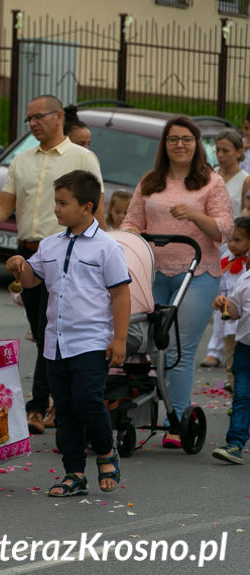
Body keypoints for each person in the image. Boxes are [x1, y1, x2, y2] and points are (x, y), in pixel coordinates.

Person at [5, 170, 130, 496]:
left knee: (87, 399)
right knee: (64, 408)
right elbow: (33, 280)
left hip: (91, 341)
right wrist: (21, 265)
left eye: (63, 203)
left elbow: (120, 294)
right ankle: (74, 473)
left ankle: (106, 450)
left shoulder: (107, 248)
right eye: (55, 202)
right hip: (55, 343)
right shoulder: (50, 244)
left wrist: (119, 338)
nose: (57, 209)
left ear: (87, 207)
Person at [0, 94, 104, 435]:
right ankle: (55, 401)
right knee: (43, 332)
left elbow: (96, 211)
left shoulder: (82, 157)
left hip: (68, 253)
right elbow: (3, 207)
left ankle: (39, 406)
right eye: (28, 119)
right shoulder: (21, 161)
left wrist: (95, 253)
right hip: (29, 253)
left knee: (49, 331)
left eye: (38, 117)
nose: (32, 124)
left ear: (58, 117)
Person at [121, 116, 233, 448]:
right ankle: (138, 411)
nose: (179, 145)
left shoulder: (211, 183)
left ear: (197, 144)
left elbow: (224, 229)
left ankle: (176, 420)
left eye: (186, 139)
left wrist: (195, 216)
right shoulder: (150, 181)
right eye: (173, 139)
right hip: (153, 272)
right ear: (164, 144)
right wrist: (128, 236)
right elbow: (131, 221)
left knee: (177, 350)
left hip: (197, 272)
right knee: (146, 346)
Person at [212, 256, 250, 465]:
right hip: (245, 349)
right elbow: (235, 312)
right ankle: (235, 443)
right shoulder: (245, 280)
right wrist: (225, 304)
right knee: (242, 397)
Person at [201, 219, 250, 381]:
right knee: (231, 357)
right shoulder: (226, 259)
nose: (232, 244)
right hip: (227, 313)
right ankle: (234, 390)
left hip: (245, 320)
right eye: (229, 240)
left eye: (238, 240)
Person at [212, 130, 250, 225]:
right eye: (217, 150)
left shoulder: (245, 180)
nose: (220, 155)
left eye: (225, 151)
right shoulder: (211, 173)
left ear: (238, 152)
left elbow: (245, 218)